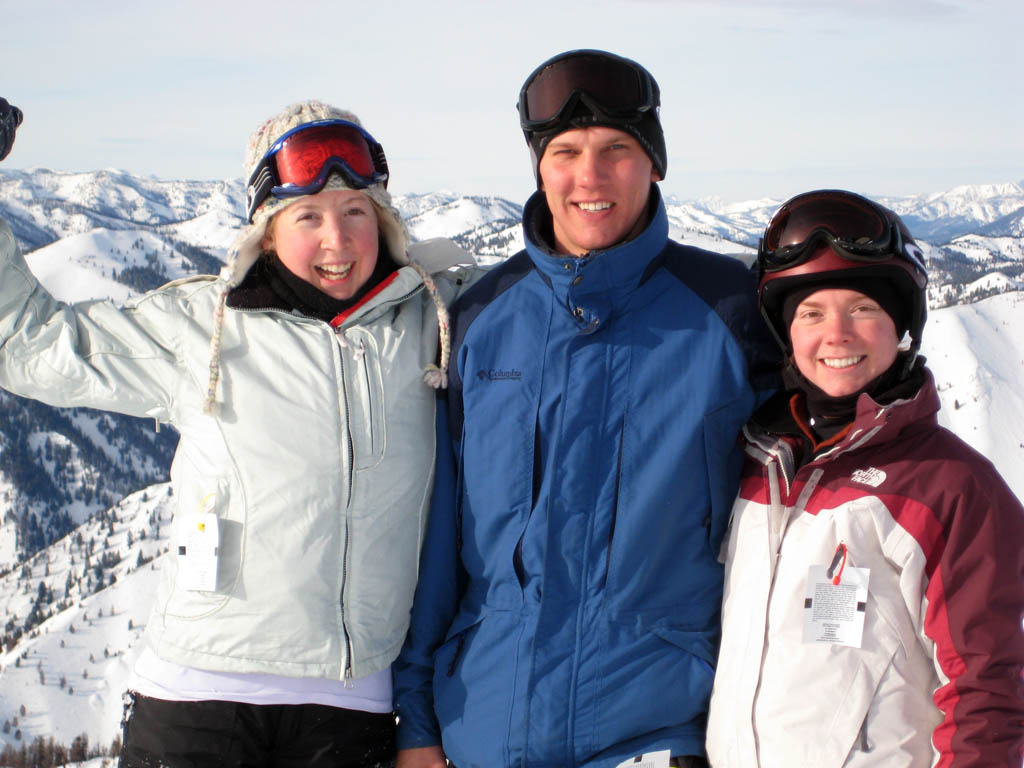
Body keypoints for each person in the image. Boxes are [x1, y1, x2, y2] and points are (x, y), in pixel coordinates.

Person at [0, 98, 472, 766]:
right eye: (307, 217)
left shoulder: (434, 319)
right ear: (266, 231)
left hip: (351, 704)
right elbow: (25, 345)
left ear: (385, 222)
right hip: (197, 700)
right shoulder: (201, 328)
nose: (337, 242)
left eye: (356, 213)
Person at [393, 50, 779, 767]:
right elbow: (440, 535)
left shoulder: (728, 311)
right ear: (540, 169)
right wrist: (416, 724)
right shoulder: (482, 318)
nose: (589, 176)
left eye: (617, 150)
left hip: (662, 728)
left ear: (655, 164)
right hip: (487, 726)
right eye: (565, 152)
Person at [705, 189, 1024, 766]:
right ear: (787, 333)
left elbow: (989, 691)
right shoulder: (756, 465)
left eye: (863, 308)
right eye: (811, 313)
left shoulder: (951, 487)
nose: (837, 334)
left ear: (901, 324)